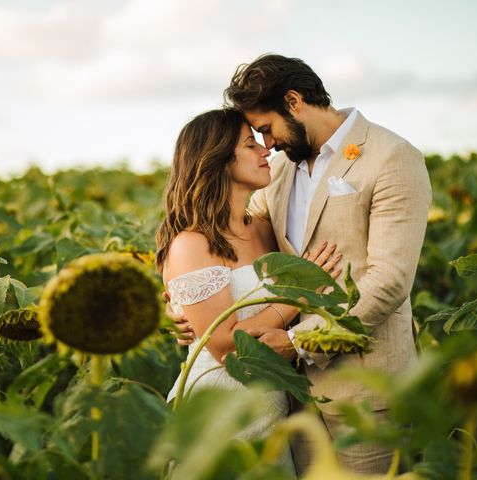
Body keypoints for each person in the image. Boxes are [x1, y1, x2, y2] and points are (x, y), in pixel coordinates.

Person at [173, 54, 431, 475]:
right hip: (292, 397)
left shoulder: (391, 157)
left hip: (366, 391)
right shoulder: (278, 171)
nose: (267, 144)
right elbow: (225, 243)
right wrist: (186, 305)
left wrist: (298, 343)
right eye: (256, 137)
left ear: (293, 101)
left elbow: (387, 282)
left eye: (266, 129)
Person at [155, 108, 341, 473]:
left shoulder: (263, 228)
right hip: (219, 411)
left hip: (273, 410)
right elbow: (227, 348)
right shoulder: (191, 244)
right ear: (220, 160)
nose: (265, 151)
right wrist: (302, 294)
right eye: (249, 144)